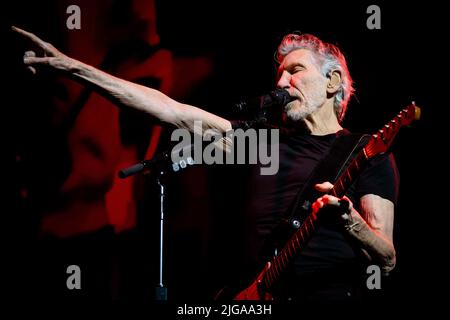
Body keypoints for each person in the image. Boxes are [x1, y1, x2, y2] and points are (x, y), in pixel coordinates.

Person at [12, 27, 398, 303]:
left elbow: (386, 257)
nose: (281, 82)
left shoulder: (367, 152)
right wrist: (70, 67)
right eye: (279, 73)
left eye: (295, 71)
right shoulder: (261, 144)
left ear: (332, 82)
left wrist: (348, 221)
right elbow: (168, 109)